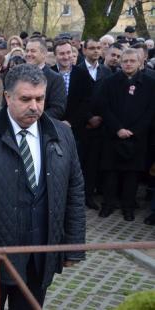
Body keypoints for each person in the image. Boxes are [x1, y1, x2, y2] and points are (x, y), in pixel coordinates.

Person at [0, 64, 85, 310]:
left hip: (39, 256)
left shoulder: (62, 134)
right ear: (7, 97)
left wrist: (73, 245)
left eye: (40, 98)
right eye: (26, 99)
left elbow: (74, 189)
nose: (34, 106)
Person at [98, 49, 155, 221]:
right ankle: (108, 205)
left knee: (132, 175)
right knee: (111, 174)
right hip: (113, 135)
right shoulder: (109, 82)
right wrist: (118, 129)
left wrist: (134, 131)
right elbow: (104, 107)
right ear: (121, 62)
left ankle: (128, 208)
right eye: (125, 61)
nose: (128, 64)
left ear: (140, 63)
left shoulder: (151, 83)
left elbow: (151, 111)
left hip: (137, 137)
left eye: (132, 61)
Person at [77, 38, 113, 212]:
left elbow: (110, 100)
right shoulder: (77, 70)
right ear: (84, 50)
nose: (96, 51)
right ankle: (75, 197)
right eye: (92, 48)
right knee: (78, 164)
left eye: (98, 48)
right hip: (80, 126)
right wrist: (88, 117)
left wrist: (100, 118)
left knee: (93, 164)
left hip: (100, 126)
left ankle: (89, 196)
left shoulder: (106, 72)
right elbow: (75, 100)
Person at [25, 38, 67, 120]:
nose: (28, 54)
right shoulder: (18, 74)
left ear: (44, 54)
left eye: (33, 51)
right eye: (27, 51)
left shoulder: (56, 79)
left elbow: (57, 109)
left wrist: (33, 120)